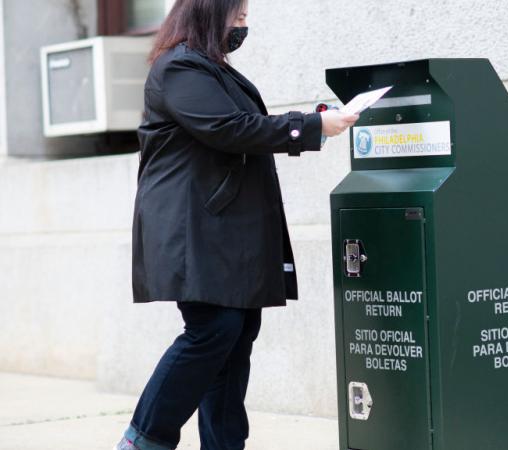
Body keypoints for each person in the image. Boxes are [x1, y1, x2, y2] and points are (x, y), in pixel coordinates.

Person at [114, 0, 359, 449]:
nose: (244, 25)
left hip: (221, 230)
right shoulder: (180, 68)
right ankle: (144, 438)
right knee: (213, 330)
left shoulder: (208, 69)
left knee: (236, 333)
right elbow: (228, 127)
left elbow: (243, 126)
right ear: (208, 14)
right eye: (238, 16)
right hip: (195, 230)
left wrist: (313, 121)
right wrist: (312, 126)